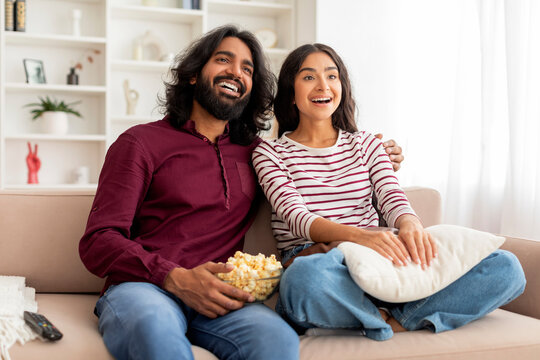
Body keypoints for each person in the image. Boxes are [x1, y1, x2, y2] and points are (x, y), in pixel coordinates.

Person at [79, 25, 403, 358]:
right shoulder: (140, 143)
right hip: (147, 289)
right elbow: (98, 241)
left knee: (276, 341)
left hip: (224, 296)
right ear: (193, 75)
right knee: (154, 331)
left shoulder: (257, 153)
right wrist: (174, 277)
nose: (236, 72)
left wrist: (380, 156)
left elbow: (311, 171)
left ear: (250, 88)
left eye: (247, 69)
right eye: (224, 60)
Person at [252, 43, 526, 341]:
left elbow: (393, 198)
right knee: (304, 280)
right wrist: (358, 238)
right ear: (291, 91)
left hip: (379, 257)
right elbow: (296, 217)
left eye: (332, 76)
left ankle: (393, 319)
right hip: (322, 261)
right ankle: (389, 312)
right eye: (308, 77)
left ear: (341, 86)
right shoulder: (270, 152)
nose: (323, 86)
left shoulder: (368, 144)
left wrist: (410, 225)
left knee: (505, 266)